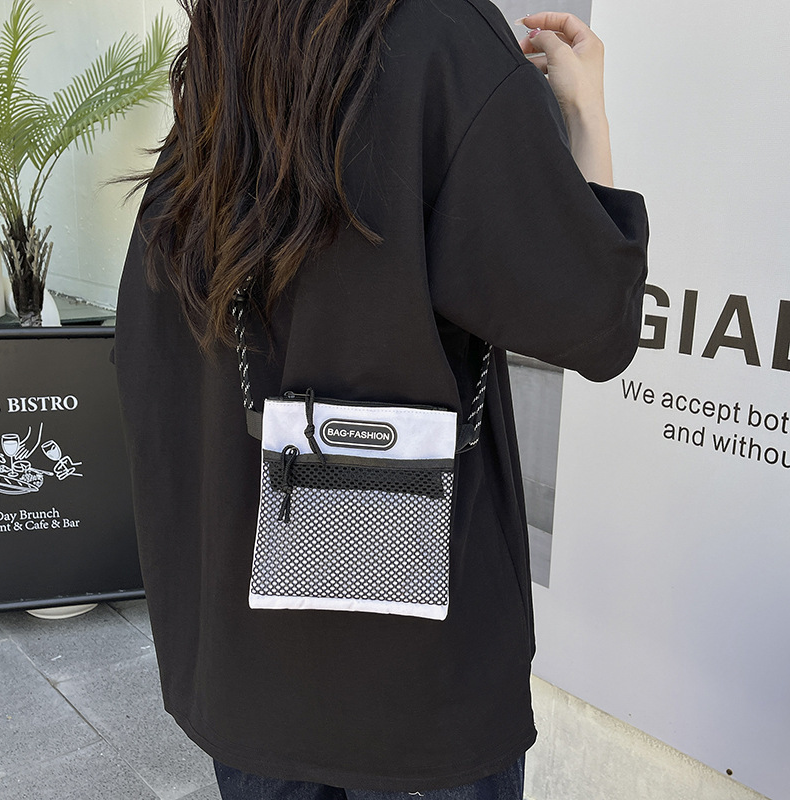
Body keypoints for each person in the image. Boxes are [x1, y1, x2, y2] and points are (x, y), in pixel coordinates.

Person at [114, 1, 649, 798]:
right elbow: (592, 321)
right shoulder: (446, 37)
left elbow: (151, 339)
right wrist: (586, 114)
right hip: (419, 696)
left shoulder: (234, 38)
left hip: (244, 671)